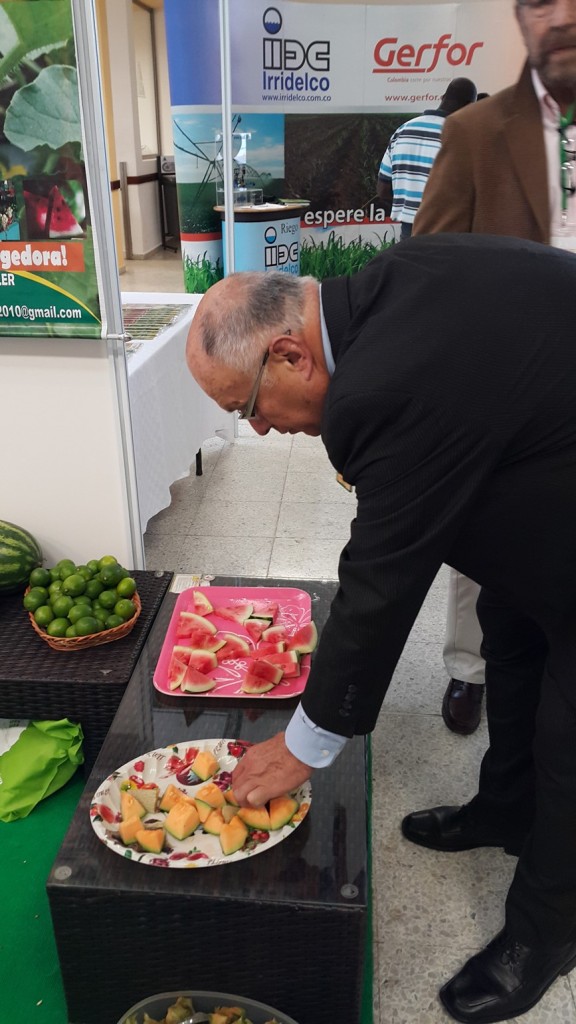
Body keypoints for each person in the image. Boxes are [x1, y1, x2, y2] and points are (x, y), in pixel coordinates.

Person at [186, 233, 576, 1024]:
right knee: (510, 632)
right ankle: (505, 806)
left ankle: (547, 932)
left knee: (571, 740)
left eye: (245, 406)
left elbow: (382, 580)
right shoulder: (384, 284)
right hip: (551, 480)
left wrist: (305, 745)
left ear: (291, 354)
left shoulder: (379, 386)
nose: (257, 429)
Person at [413, 0, 576, 736]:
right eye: (543, 0)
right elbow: (428, 275)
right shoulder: (474, 133)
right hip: (507, 406)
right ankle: (467, 670)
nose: (564, 15)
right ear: (519, 16)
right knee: (484, 555)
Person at [376, 78, 477, 239]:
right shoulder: (463, 138)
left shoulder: (403, 131)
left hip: (408, 234)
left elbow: (383, 190)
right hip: (446, 234)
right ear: (471, 107)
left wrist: (411, 206)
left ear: (442, 97)